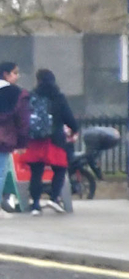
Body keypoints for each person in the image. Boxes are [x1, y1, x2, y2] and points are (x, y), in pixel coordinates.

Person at [16, 68, 76, 213]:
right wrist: (74, 130)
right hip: (55, 139)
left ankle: (35, 204)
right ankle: (54, 198)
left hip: (35, 140)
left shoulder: (31, 96)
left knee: (36, 172)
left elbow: (23, 117)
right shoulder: (58, 97)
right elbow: (69, 118)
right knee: (60, 169)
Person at [0, 63, 24, 215]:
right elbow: (22, 118)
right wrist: (22, 141)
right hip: (3, 138)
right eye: (15, 73)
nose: (17, 76)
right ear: (5, 74)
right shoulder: (14, 92)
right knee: (1, 171)